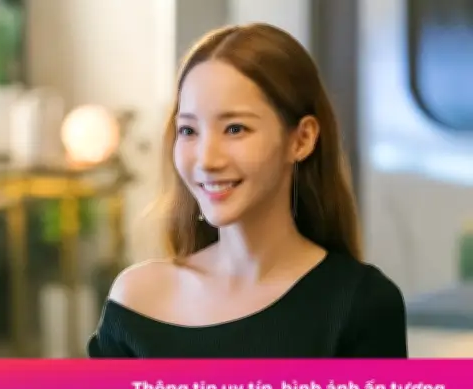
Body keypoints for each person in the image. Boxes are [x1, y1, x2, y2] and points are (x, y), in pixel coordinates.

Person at [87, 23, 408, 358]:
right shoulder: (135, 301)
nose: (207, 160)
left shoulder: (359, 306)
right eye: (188, 130)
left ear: (301, 139)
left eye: (235, 129)